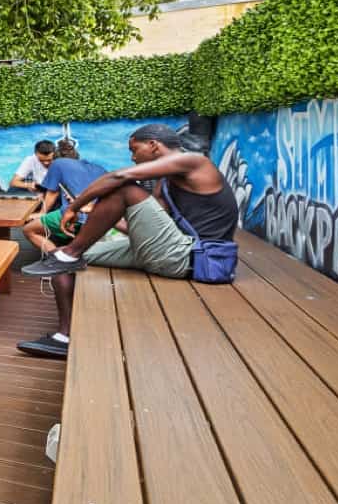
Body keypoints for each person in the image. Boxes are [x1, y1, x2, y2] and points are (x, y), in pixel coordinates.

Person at [16, 124, 239, 359]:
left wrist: (74, 207)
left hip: (192, 257)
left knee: (123, 187)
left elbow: (119, 177)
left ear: (153, 145)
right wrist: (101, 216)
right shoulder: (165, 185)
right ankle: (65, 337)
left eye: (134, 149)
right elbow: (143, 228)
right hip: (166, 253)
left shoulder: (196, 162)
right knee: (63, 260)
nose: (132, 157)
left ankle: (70, 252)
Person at [21, 140, 108, 255]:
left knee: (29, 230)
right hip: (102, 217)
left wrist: (42, 212)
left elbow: (53, 192)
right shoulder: (99, 168)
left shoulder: (58, 163)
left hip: (77, 216)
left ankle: (58, 258)